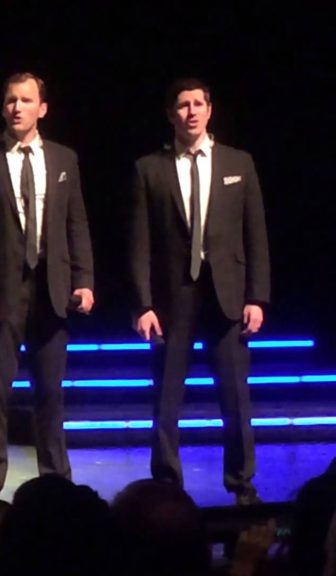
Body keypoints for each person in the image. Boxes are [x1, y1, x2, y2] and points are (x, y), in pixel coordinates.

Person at [129, 77, 270, 504]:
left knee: (236, 397)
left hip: (228, 296)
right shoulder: (149, 168)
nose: (190, 111)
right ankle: (166, 486)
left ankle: (241, 483)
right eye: (182, 105)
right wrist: (143, 304)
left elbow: (255, 234)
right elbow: (139, 243)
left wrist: (257, 297)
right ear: (170, 114)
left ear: (209, 110)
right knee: (166, 398)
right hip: (173, 299)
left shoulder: (238, 163)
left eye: (197, 104)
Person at [0, 72, 94, 501]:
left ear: (42, 109)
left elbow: (76, 223)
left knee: (50, 392)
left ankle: (56, 482)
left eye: (26, 100)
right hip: (1, 292)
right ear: (3, 108)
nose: (17, 107)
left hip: (52, 289)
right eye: (11, 100)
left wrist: (85, 279)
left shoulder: (64, 159)